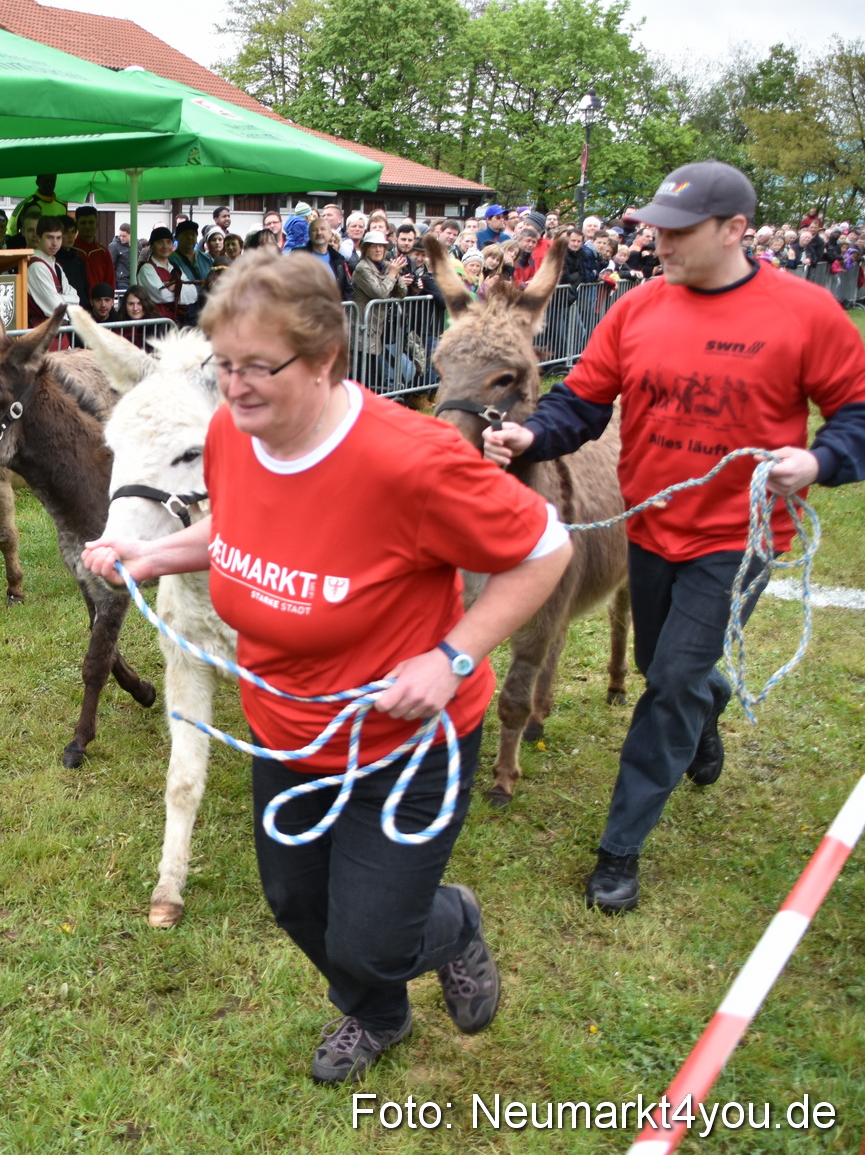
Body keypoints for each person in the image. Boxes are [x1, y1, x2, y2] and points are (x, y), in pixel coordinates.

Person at [83, 250, 570, 1085]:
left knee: (372, 935)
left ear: (326, 361)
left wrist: (453, 657)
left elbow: (545, 547)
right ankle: (381, 1012)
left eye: (258, 367)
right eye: (223, 364)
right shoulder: (234, 438)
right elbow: (233, 530)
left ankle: (451, 925)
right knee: (298, 905)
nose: (233, 388)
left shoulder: (408, 459)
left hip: (405, 741)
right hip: (292, 734)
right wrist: (151, 551)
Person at [483, 160, 865, 914]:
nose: (656, 240)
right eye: (653, 226)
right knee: (673, 667)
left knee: (666, 683)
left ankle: (618, 849)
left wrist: (820, 457)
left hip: (741, 536)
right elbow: (584, 402)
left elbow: (858, 413)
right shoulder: (635, 310)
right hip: (649, 526)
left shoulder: (805, 313)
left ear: (734, 230)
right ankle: (702, 705)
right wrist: (530, 435)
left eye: (678, 230)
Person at [351, 230, 406, 386]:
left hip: (376, 331)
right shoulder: (362, 268)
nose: (378, 250)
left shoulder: (385, 266)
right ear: (366, 249)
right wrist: (392, 274)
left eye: (381, 247)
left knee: (372, 377)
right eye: (373, 246)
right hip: (360, 331)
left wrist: (395, 273)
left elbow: (401, 293)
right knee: (362, 378)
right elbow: (381, 293)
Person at [26, 216, 82, 331]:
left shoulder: (55, 265)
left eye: (59, 238)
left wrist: (59, 298)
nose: (55, 243)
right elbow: (55, 307)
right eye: (50, 237)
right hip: (41, 332)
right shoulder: (36, 267)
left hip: (55, 333)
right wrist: (63, 299)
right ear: (38, 238)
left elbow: (76, 299)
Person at [136, 226, 183, 321]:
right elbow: (162, 295)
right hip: (155, 323)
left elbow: (192, 293)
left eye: (168, 242)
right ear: (152, 246)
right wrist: (180, 287)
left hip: (176, 322)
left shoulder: (176, 267)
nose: (165, 246)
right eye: (160, 242)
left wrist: (174, 287)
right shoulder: (146, 269)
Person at [67, 207, 116, 296]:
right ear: (77, 225)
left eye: (91, 222)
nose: (87, 226)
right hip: (75, 304)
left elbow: (110, 282)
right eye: (83, 223)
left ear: (96, 224)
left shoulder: (103, 252)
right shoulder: (69, 250)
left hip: (98, 305)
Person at [109, 222, 132, 292]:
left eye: (124, 236)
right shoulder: (114, 246)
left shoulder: (137, 246)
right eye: (120, 236)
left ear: (130, 235)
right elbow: (111, 266)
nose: (122, 238)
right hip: (121, 281)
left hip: (134, 280)